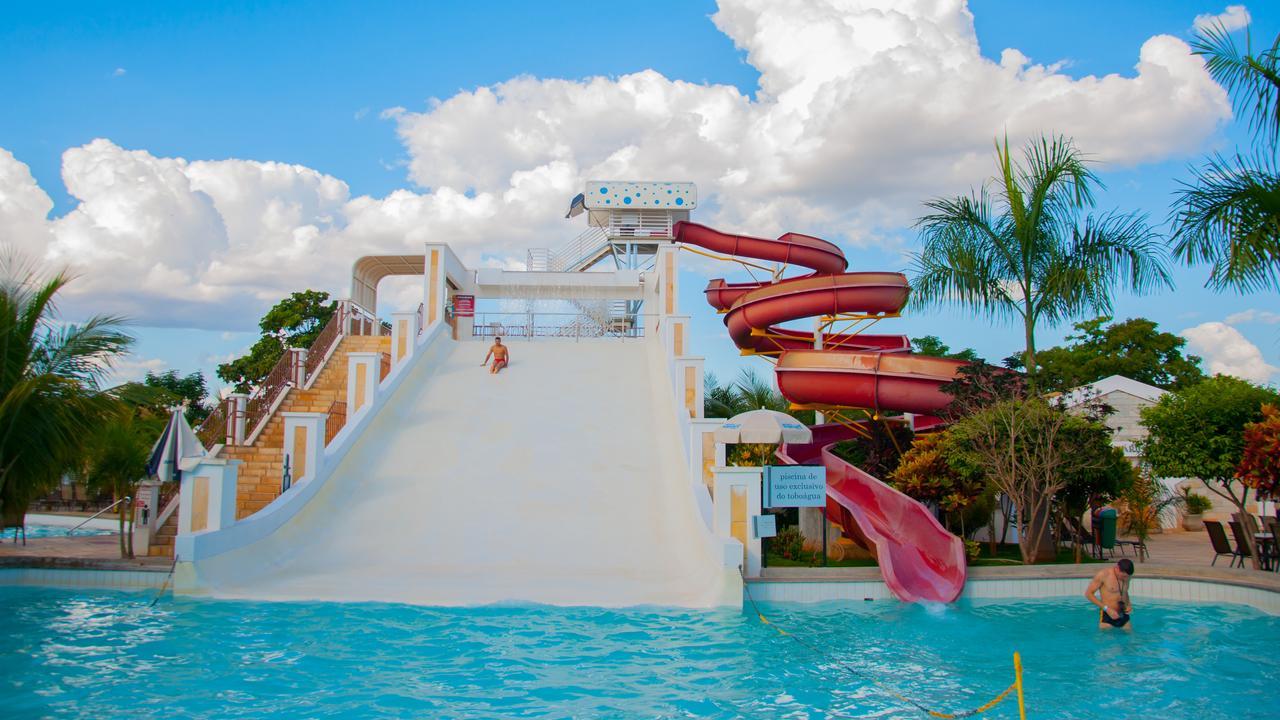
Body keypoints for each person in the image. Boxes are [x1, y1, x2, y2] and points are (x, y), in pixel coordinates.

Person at [1085, 558, 1134, 630]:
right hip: (1107, 613)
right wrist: (1106, 609)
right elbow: (1088, 594)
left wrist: (1128, 605)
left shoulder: (1127, 576)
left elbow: (1125, 592)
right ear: (1117, 568)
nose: (1125, 578)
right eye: (1123, 576)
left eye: (1127, 576)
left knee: (1130, 638)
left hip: (1122, 612)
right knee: (1106, 638)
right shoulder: (1104, 575)